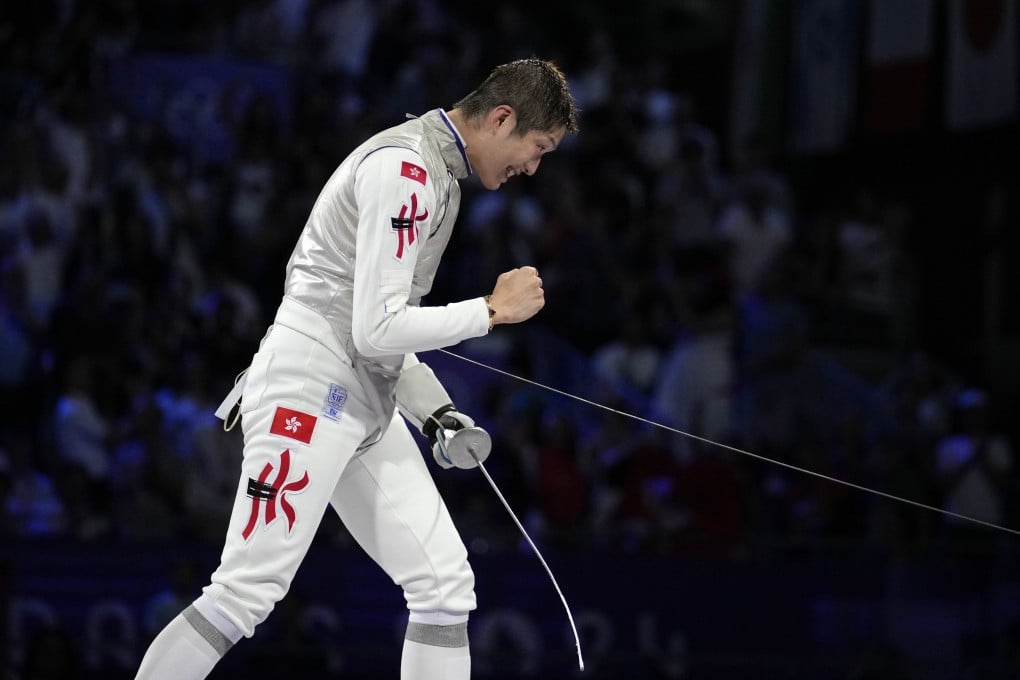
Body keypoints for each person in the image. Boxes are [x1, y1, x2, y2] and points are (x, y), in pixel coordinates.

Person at [135, 58, 579, 680]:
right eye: (536, 149)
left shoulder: (438, 175)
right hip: (310, 392)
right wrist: (490, 312)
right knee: (244, 592)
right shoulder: (406, 168)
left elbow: (383, 334)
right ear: (501, 118)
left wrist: (438, 413)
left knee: (444, 585)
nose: (532, 168)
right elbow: (376, 328)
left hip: (360, 398)